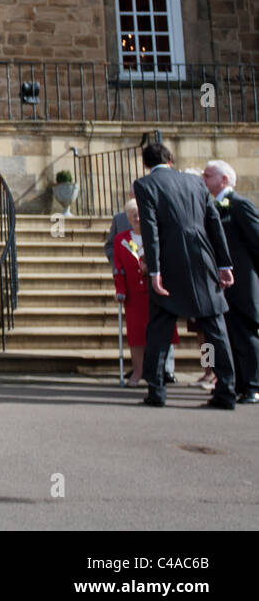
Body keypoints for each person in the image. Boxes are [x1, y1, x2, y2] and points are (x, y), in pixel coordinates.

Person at [133, 141, 236, 409]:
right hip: (203, 258)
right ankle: (225, 389)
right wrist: (224, 264)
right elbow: (213, 222)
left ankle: (157, 390)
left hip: (169, 261)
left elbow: (151, 229)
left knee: (159, 330)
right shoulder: (196, 183)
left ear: (146, 163)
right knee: (215, 327)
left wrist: (154, 270)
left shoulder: (145, 186)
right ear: (170, 159)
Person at [105, 188, 176, 383]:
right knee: (136, 335)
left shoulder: (157, 235)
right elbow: (117, 264)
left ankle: (166, 370)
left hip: (156, 290)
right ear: (127, 218)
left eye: (140, 215)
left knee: (161, 332)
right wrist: (120, 289)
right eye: (133, 215)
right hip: (134, 293)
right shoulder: (122, 239)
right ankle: (138, 371)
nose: (137, 218)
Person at [203, 160, 259, 404]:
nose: (203, 179)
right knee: (228, 336)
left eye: (208, 175)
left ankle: (253, 386)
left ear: (223, 179)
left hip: (242, 283)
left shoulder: (239, 205)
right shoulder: (212, 206)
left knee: (246, 334)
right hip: (219, 286)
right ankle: (235, 382)